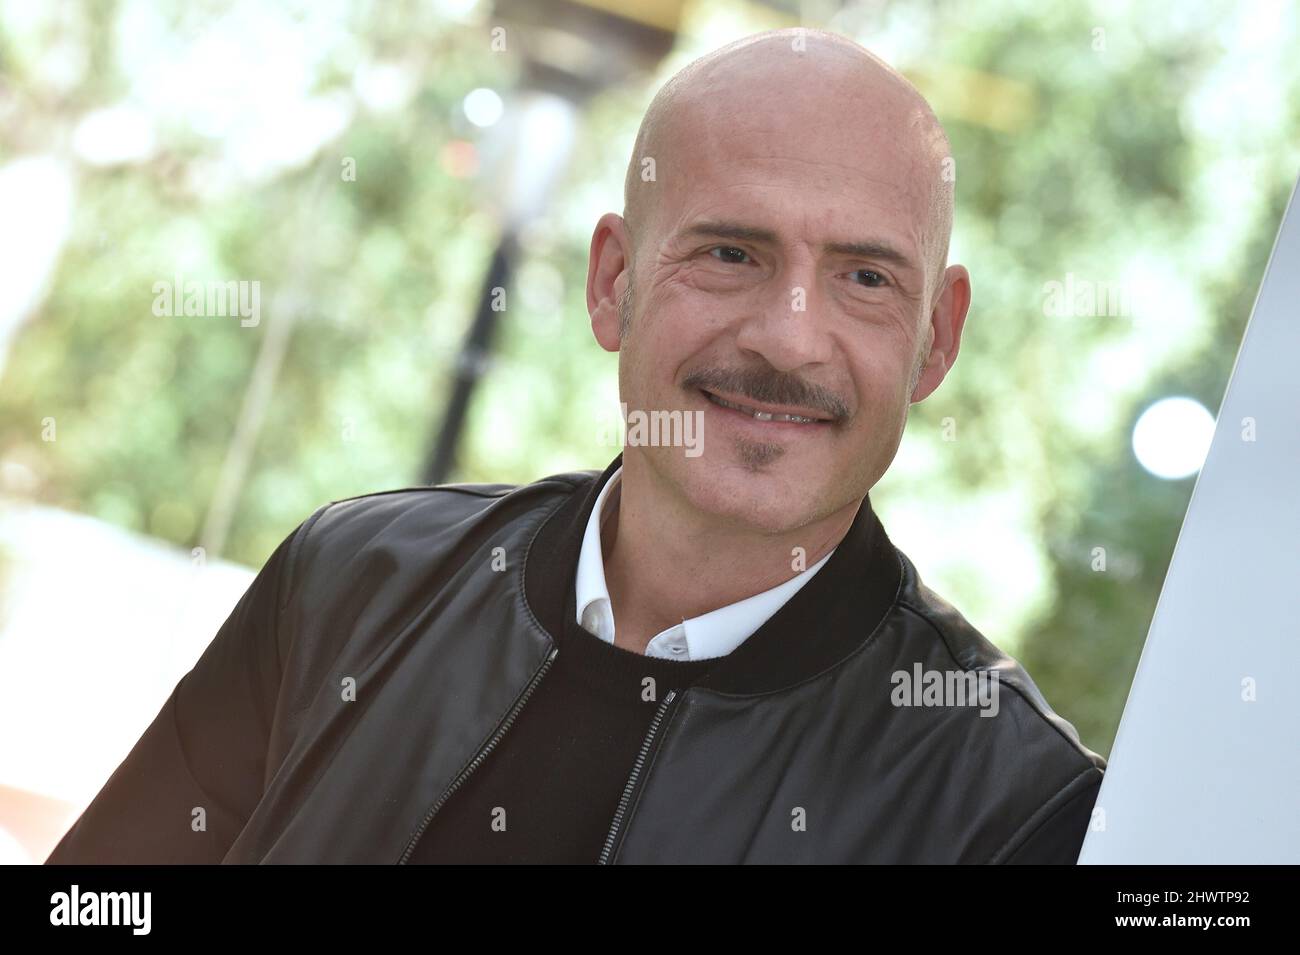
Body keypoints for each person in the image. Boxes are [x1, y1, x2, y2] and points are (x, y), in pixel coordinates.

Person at [46, 27, 1104, 865]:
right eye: (730, 252)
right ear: (613, 282)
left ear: (937, 340)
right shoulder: (349, 580)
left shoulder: (1021, 815)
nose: (789, 335)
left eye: (865, 277)